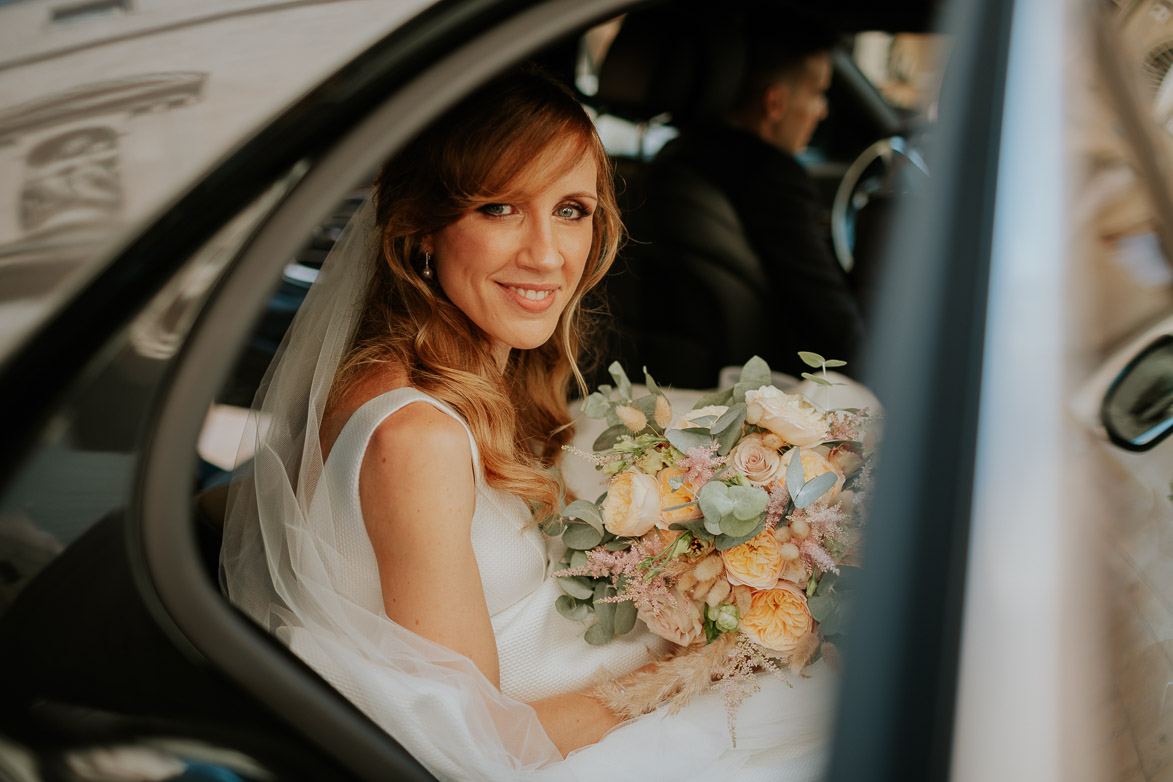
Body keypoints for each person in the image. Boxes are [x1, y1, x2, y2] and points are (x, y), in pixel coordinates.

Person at [221, 66, 834, 781]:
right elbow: (477, 742)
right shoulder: (416, 437)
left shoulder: (447, 379)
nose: (546, 254)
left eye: (571, 209)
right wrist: (690, 672)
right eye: (500, 209)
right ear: (422, 231)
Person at [652, 12, 865, 378]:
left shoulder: (676, 155)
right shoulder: (774, 180)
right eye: (818, 93)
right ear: (775, 103)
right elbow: (833, 325)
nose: (823, 110)